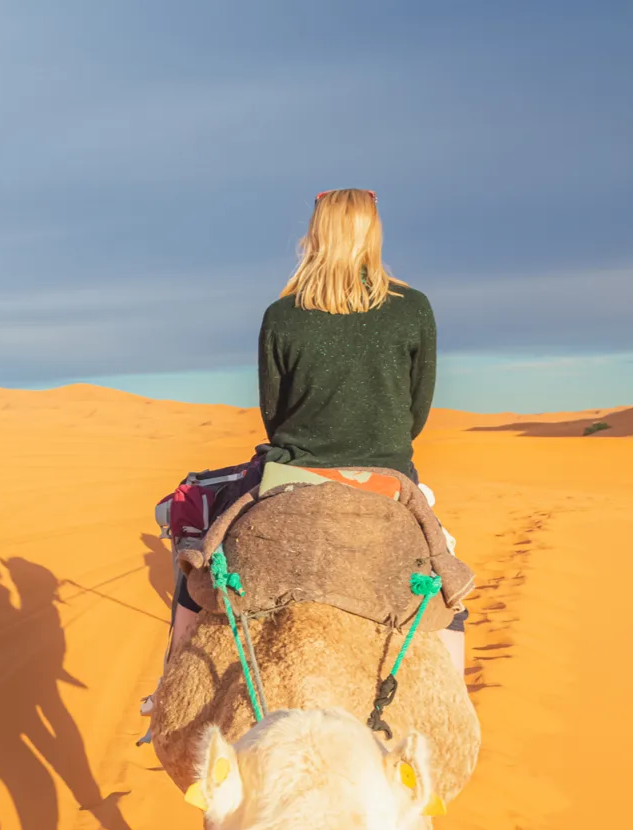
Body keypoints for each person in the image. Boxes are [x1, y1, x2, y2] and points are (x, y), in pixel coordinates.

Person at [164, 188, 466, 675]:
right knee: (446, 580)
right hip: (388, 477)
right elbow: (417, 409)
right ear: (374, 232)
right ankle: (456, 700)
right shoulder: (413, 309)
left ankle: (172, 681)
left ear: (316, 235)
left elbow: (273, 412)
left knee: (199, 563)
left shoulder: (282, 316)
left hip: (290, 475)